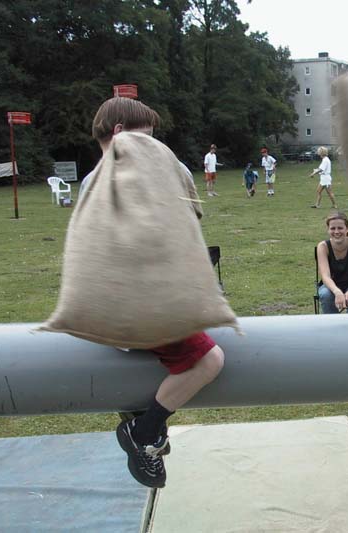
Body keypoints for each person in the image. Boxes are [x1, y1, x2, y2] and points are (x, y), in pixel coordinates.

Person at [87, 96, 225, 488]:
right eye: (146, 139)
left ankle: (144, 423)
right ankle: (144, 431)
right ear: (119, 134)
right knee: (209, 360)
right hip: (139, 307)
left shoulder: (91, 181)